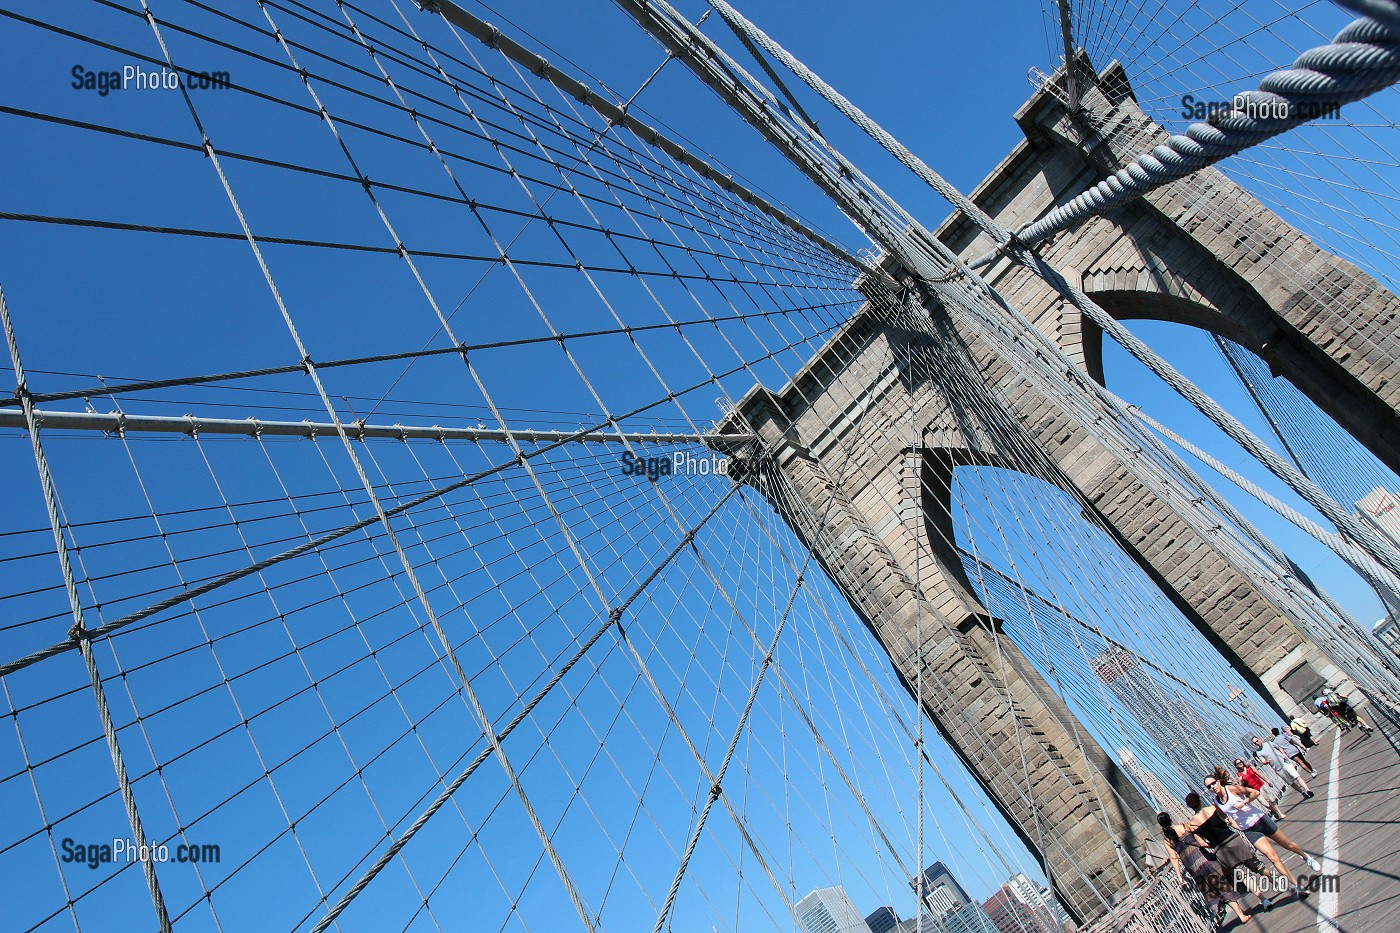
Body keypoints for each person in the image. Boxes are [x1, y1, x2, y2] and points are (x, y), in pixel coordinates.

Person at [1207, 772, 1320, 895]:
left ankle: (1305, 857)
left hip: (1260, 820)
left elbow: (1255, 793)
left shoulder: (1231, 789)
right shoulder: (1217, 802)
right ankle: (1298, 886)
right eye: (1209, 786)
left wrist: (1243, 803)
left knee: (1288, 845)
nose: (1212, 787)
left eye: (1213, 783)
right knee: (1273, 857)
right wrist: (1230, 822)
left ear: (1218, 782)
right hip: (1249, 830)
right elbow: (1222, 814)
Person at [1179, 791, 1276, 911]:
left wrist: (1213, 844)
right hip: (1234, 840)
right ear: (1199, 800)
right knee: (1257, 865)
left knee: (1244, 875)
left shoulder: (1192, 825)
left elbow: (1202, 843)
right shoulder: (1213, 809)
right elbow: (1227, 819)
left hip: (1221, 849)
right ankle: (1276, 882)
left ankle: (1264, 900)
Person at [1158, 812, 1251, 929]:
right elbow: (1200, 836)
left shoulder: (1167, 841)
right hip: (1206, 859)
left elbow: (1174, 858)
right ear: (1170, 819)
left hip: (1194, 869)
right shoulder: (1184, 826)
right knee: (1223, 886)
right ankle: (1241, 914)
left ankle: (1221, 908)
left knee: (1212, 890)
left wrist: (1180, 877)